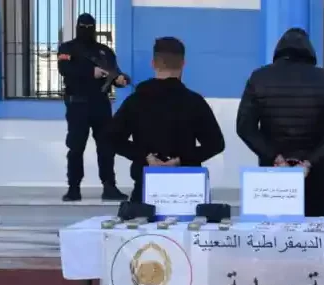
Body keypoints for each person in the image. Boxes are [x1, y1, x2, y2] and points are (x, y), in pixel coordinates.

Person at [236, 28, 324, 218]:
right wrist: (310, 162)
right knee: (316, 225)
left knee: (271, 225)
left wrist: (275, 158)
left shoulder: (259, 77)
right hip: (314, 173)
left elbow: (245, 127)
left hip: (273, 172)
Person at [108, 37, 225, 203]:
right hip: (188, 192)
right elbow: (216, 144)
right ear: (183, 64)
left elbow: (111, 138)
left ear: (153, 63)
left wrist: (146, 156)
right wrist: (181, 160)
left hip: (146, 189)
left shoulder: (136, 101)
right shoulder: (194, 102)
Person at [57, 13, 128, 202]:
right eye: (83, 26)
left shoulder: (104, 51)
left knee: (106, 146)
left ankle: (109, 186)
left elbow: (115, 73)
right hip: (77, 105)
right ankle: (73, 188)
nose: (86, 30)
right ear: (77, 27)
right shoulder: (67, 48)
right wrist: (91, 72)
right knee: (76, 147)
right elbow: (64, 69)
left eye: (89, 27)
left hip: (100, 104)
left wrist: (121, 80)